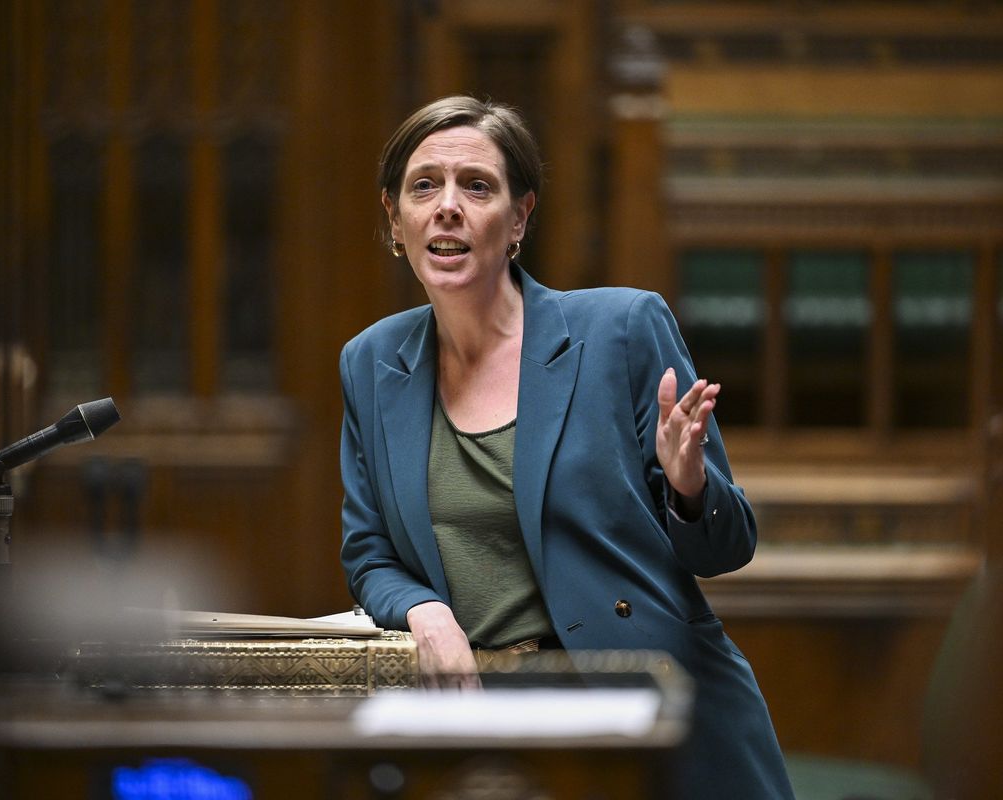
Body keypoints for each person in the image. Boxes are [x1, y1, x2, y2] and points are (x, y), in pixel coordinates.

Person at [339, 95, 794, 798]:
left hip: (648, 710)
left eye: (477, 186)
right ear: (394, 219)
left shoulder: (620, 329)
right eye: (424, 185)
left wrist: (687, 488)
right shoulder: (372, 363)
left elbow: (726, 548)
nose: (448, 206)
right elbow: (370, 553)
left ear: (519, 217)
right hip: (486, 729)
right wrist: (423, 612)